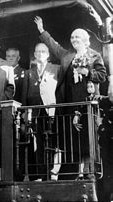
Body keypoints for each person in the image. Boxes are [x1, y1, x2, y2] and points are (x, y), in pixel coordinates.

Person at [34, 16, 107, 179]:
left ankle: (90, 175)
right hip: (68, 108)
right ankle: (69, 176)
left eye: (77, 37)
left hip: (87, 107)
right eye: (72, 37)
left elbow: (102, 76)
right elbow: (53, 46)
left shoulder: (95, 56)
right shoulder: (67, 55)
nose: (74, 39)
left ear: (85, 40)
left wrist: (88, 73)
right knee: (69, 143)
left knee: (87, 142)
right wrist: (42, 31)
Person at [22, 43, 61, 181]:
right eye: (37, 51)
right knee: (38, 143)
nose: (40, 53)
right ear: (34, 54)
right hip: (35, 112)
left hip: (51, 110)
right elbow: (24, 95)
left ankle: (53, 172)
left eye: (43, 51)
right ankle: (42, 174)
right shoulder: (29, 72)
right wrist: (26, 113)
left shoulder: (56, 69)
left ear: (48, 54)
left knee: (52, 141)